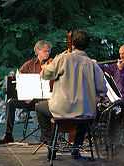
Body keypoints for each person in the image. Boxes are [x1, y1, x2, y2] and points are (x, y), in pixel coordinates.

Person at [35, 30, 107, 159]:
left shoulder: (63, 58)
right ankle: (76, 148)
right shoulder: (92, 64)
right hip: (86, 113)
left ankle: (51, 143)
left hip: (62, 111)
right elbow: (102, 89)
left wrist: (46, 66)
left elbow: (45, 75)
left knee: (39, 107)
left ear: (72, 44)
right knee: (83, 115)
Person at [0, 40, 52, 144]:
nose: (48, 53)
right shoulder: (29, 65)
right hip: (30, 100)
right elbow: (19, 80)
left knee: (43, 105)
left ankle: (46, 137)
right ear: (37, 51)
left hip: (46, 100)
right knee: (10, 102)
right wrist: (25, 94)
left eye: (49, 51)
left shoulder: (52, 64)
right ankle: (8, 135)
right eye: (45, 51)